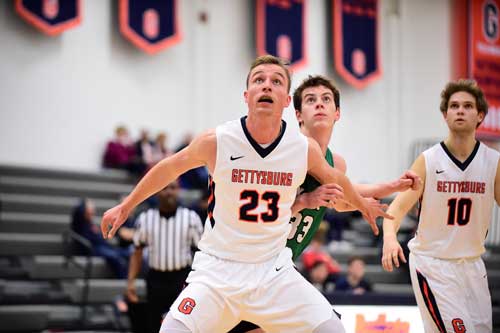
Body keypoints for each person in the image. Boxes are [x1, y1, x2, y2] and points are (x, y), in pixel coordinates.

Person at [101, 55, 392, 333]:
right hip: (217, 271)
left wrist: (362, 205)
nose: (267, 85)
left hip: (272, 271)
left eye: (277, 81)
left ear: (287, 100)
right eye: (259, 79)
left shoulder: (302, 149)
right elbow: (169, 167)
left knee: (332, 329)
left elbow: (337, 179)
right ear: (246, 95)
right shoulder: (219, 140)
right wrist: (126, 206)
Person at [230, 74, 421, 333]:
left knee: (327, 326)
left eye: (326, 99)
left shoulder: (335, 163)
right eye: (310, 100)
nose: (319, 104)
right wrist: (305, 201)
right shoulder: (287, 151)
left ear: (337, 113)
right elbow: (259, 212)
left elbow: (338, 198)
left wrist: (383, 190)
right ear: (298, 115)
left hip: (279, 267)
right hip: (249, 261)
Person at [381, 79, 498, 333]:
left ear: (480, 115)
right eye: (454, 106)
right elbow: (397, 208)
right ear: (445, 115)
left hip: (472, 266)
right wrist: (389, 238)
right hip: (433, 264)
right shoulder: (428, 159)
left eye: (467, 106)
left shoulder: (493, 162)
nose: (460, 110)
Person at [127, 180, 204, 333]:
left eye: (173, 188)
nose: (169, 191)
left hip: (182, 279)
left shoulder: (191, 218)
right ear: (156, 191)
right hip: (156, 279)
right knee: (154, 324)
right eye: (164, 188)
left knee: (183, 323)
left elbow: (201, 253)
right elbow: (137, 252)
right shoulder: (145, 218)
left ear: (179, 190)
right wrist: (131, 282)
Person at [71, 199, 129, 278]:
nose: (92, 208)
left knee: (125, 253)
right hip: (92, 248)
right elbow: (78, 213)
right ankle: (123, 278)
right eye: (89, 206)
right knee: (114, 257)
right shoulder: (80, 222)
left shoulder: (90, 223)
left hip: (102, 246)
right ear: (83, 209)